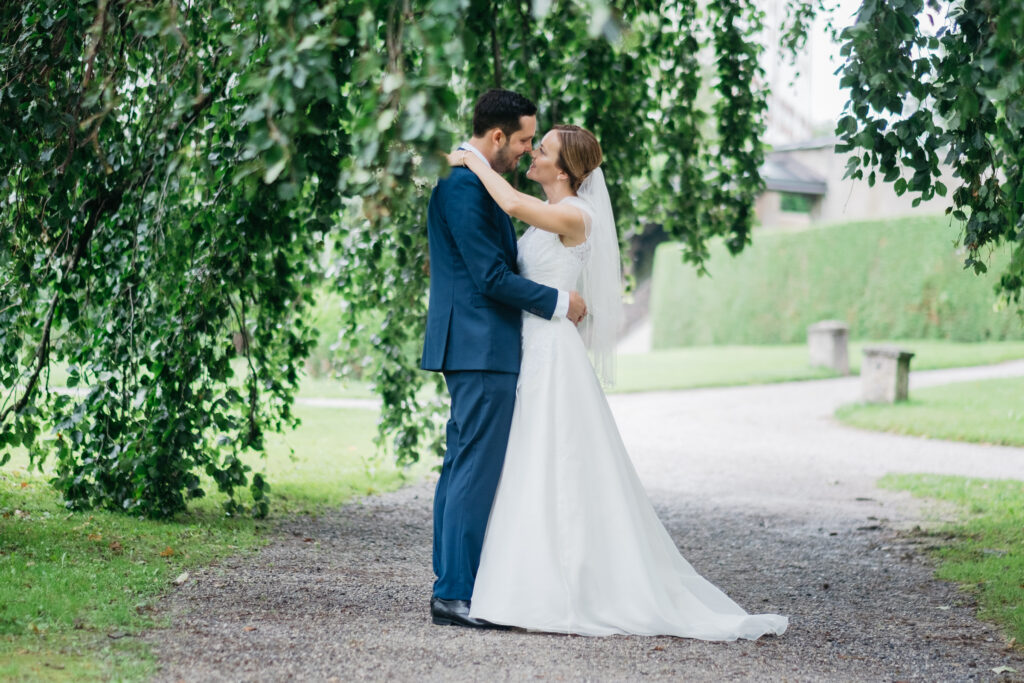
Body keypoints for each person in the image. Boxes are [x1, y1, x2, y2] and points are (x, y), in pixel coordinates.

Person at [445, 124, 789, 640]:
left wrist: (473, 161)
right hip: (532, 347)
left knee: (552, 458)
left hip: (552, 354)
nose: (533, 154)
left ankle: (565, 586)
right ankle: (524, 580)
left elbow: (513, 205)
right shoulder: (553, 216)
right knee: (531, 462)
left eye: (543, 150)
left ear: (563, 170)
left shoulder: (574, 215)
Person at [420, 89, 588, 629]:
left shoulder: (472, 179)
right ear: (496, 137)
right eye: (520, 141)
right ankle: (454, 593)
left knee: (461, 465)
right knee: (474, 469)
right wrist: (562, 303)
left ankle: (451, 584)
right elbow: (491, 277)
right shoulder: (466, 185)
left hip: (475, 345)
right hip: (482, 346)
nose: (523, 152)